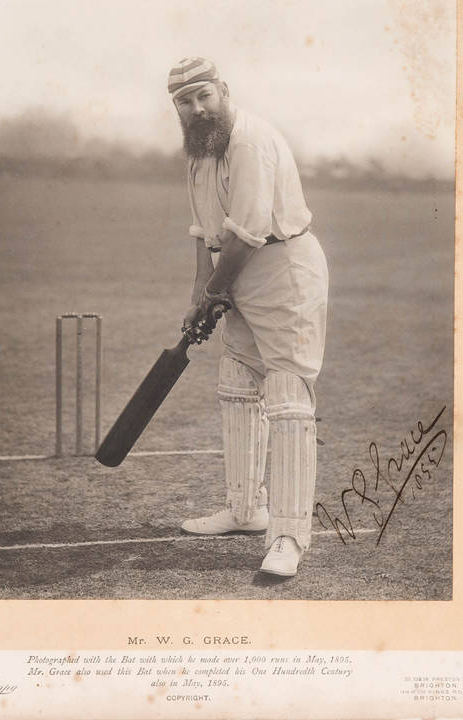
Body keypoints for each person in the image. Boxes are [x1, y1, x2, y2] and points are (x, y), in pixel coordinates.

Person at [168, 57, 329, 578]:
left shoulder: (249, 142)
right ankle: (245, 511)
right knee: (238, 387)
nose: (196, 108)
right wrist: (201, 289)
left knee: (286, 400)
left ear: (224, 91)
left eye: (203, 96)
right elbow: (204, 230)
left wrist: (217, 289)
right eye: (184, 101)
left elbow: (249, 232)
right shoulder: (199, 150)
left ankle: (288, 535)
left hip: (284, 270)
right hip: (236, 271)